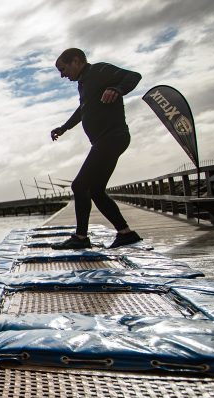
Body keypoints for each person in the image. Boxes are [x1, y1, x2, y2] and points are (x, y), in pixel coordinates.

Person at [49, 48, 143, 249]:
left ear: (76, 61)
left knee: (79, 185)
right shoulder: (84, 83)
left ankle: (81, 238)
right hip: (107, 140)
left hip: (112, 138)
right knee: (96, 190)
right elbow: (83, 110)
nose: (62, 75)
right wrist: (64, 128)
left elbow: (133, 76)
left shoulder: (99, 71)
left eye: (63, 69)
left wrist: (118, 89)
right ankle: (125, 233)